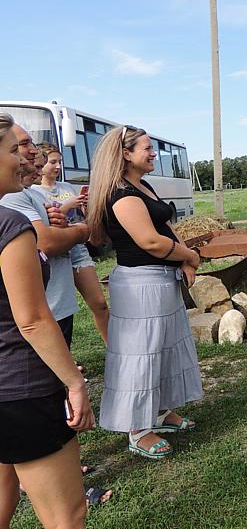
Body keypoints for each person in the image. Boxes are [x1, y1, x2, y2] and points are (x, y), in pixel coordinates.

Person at [0, 113, 94, 529]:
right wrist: (74, 382)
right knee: (66, 516)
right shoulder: (10, 225)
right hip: (24, 387)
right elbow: (33, 320)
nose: (24, 161)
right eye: (11, 152)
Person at [86, 126, 203, 457]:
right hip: (140, 285)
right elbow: (149, 241)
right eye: (147, 148)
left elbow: (164, 227)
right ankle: (137, 429)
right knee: (141, 354)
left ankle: (161, 411)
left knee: (164, 347)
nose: (153, 154)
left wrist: (185, 261)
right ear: (126, 154)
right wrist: (191, 255)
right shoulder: (122, 194)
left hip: (162, 279)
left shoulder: (143, 185)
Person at [0, 129, 90, 351]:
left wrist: (60, 226)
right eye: (20, 145)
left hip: (55, 304)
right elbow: (46, 242)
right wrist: (81, 231)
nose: (32, 151)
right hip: (41, 316)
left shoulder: (31, 194)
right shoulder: (13, 200)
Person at [33, 142, 109, 344]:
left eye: (60, 162)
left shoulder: (66, 186)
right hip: (55, 254)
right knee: (57, 310)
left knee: (100, 303)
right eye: (52, 162)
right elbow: (45, 228)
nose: (58, 167)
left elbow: (79, 218)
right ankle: (65, 358)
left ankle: (113, 348)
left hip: (77, 249)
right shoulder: (33, 191)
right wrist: (67, 205)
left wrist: (85, 207)